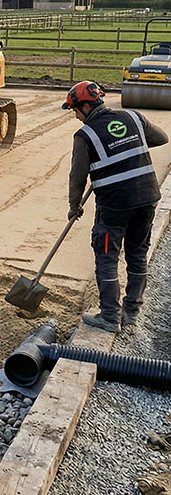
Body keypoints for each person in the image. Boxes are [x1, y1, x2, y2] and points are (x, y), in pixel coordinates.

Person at [65, 80, 168, 332]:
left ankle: (110, 316)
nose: (76, 116)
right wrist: (132, 144)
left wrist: (74, 205)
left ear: (87, 106)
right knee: (136, 255)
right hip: (147, 198)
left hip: (115, 205)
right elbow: (162, 137)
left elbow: (77, 177)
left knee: (106, 257)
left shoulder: (85, 135)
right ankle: (131, 312)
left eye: (76, 110)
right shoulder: (134, 117)